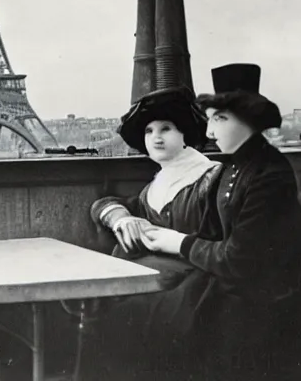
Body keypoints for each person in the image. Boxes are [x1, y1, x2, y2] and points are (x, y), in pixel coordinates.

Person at [140, 63, 301, 380]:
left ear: (248, 119)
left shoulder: (270, 173)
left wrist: (178, 243)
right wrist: (168, 239)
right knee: (160, 311)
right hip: (246, 287)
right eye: (211, 120)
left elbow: (241, 257)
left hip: (280, 299)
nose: (210, 132)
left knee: (187, 328)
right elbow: (215, 234)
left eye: (219, 119)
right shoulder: (233, 167)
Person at [83, 86, 221, 379]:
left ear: (185, 135)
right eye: (149, 131)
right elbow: (106, 204)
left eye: (166, 128)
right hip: (156, 280)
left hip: (196, 281)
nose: (156, 137)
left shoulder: (211, 178)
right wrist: (122, 219)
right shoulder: (154, 188)